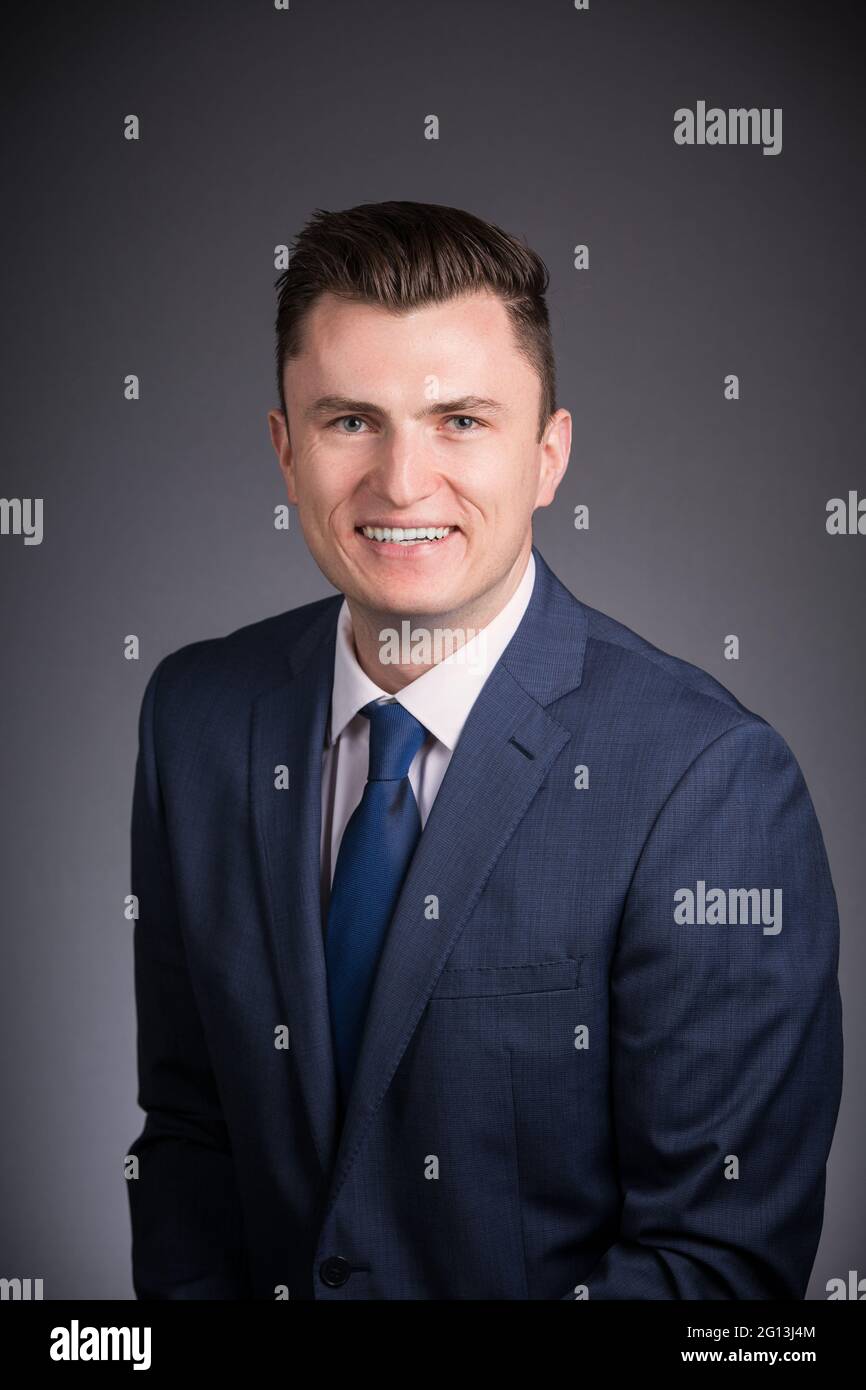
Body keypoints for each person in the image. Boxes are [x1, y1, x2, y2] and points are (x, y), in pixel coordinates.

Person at [127, 200, 843, 1300]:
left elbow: (715, 1269)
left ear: (548, 455)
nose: (403, 482)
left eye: (460, 420)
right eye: (348, 421)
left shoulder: (705, 783)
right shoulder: (197, 719)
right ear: (284, 449)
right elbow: (189, 1134)